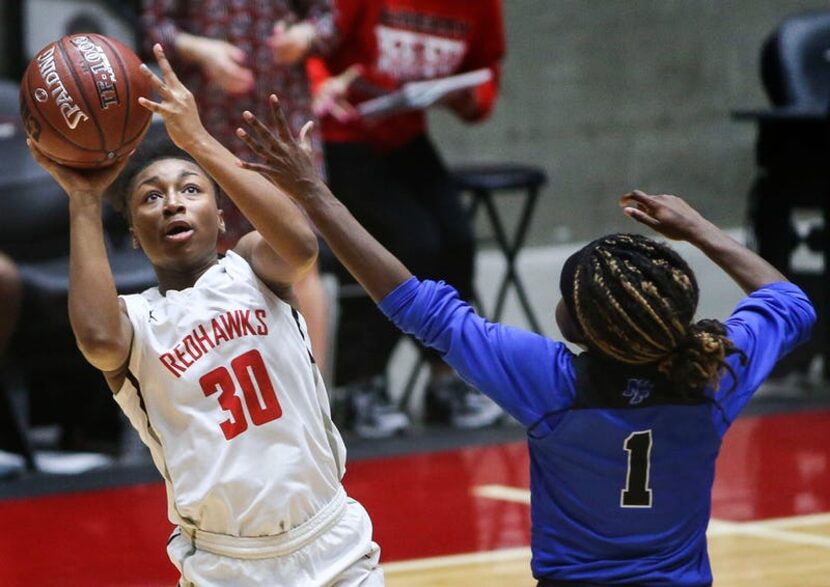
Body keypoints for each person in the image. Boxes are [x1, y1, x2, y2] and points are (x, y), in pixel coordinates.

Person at [236, 104, 816, 586]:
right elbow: (790, 303)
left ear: (582, 329)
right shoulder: (713, 375)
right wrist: (699, 230)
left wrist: (315, 193)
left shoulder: (553, 382)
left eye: (569, 298)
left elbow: (416, 306)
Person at [27, 45, 382, 586]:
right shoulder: (137, 321)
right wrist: (82, 196)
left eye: (189, 190)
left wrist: (196, 140)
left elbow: (301, 246)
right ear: (133, 235)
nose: (171, 203)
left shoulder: (253, 269)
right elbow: (97, 339)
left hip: (329, 537)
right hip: (226, 564)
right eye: (150, 197)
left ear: (220, 219)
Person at [307, 0, 506, 436]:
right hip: (341, 134)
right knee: (406, 241)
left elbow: (485, 69)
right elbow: (311, 41)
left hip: (403, 131)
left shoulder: (482, 7)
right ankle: (357, 386)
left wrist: (467, 97)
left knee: (456, 238)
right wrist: (319, 84)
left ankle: (446, 380)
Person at [141, 0, 338, 374]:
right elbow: (152, 29)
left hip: (279, 113)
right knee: (208, 259)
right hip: (208, 120)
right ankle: (226, 403)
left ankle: (312, 395)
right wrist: (201, 49)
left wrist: (305, 35)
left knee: (297, 252)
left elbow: (329, 19)